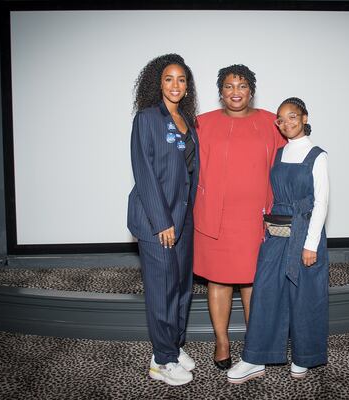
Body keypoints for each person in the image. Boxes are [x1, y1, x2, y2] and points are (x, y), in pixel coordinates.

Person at [226, 97, 330, 383]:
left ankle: (304, 357)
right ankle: (255, 358)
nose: (286, 123)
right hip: (277, 232)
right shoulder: (280, 153)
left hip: (305, 233)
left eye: (292, 117)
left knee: (305, 296)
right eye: (281, 120)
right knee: (266, 292)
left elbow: (321, 203)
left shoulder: (317, 155)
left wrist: (310, 245)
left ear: (305, 118)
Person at [193, 64, 286, 370]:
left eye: (242, 86)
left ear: (251, 90)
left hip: (256, 218)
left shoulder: (272, 122)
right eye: (230, 86)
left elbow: (288, 165)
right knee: (218, 281)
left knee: (252, 282)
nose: (236, 92)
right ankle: (222, 342)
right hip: (214, 217)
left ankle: (255, 343)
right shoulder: (201, 124)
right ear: (221, 92)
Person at [127, 54, 199, 386]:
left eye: (181, 79)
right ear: (158, 82)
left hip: (183, 219)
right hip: (158, 221)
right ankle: (161, 359)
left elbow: (189, 173)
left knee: (182, 286)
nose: (175, 85)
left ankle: (174, 344)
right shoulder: (147, 118)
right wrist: (162, 222)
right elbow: (144, 173)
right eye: (169, 78)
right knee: (162, 290)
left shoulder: (187, 120)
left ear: (187, 86)